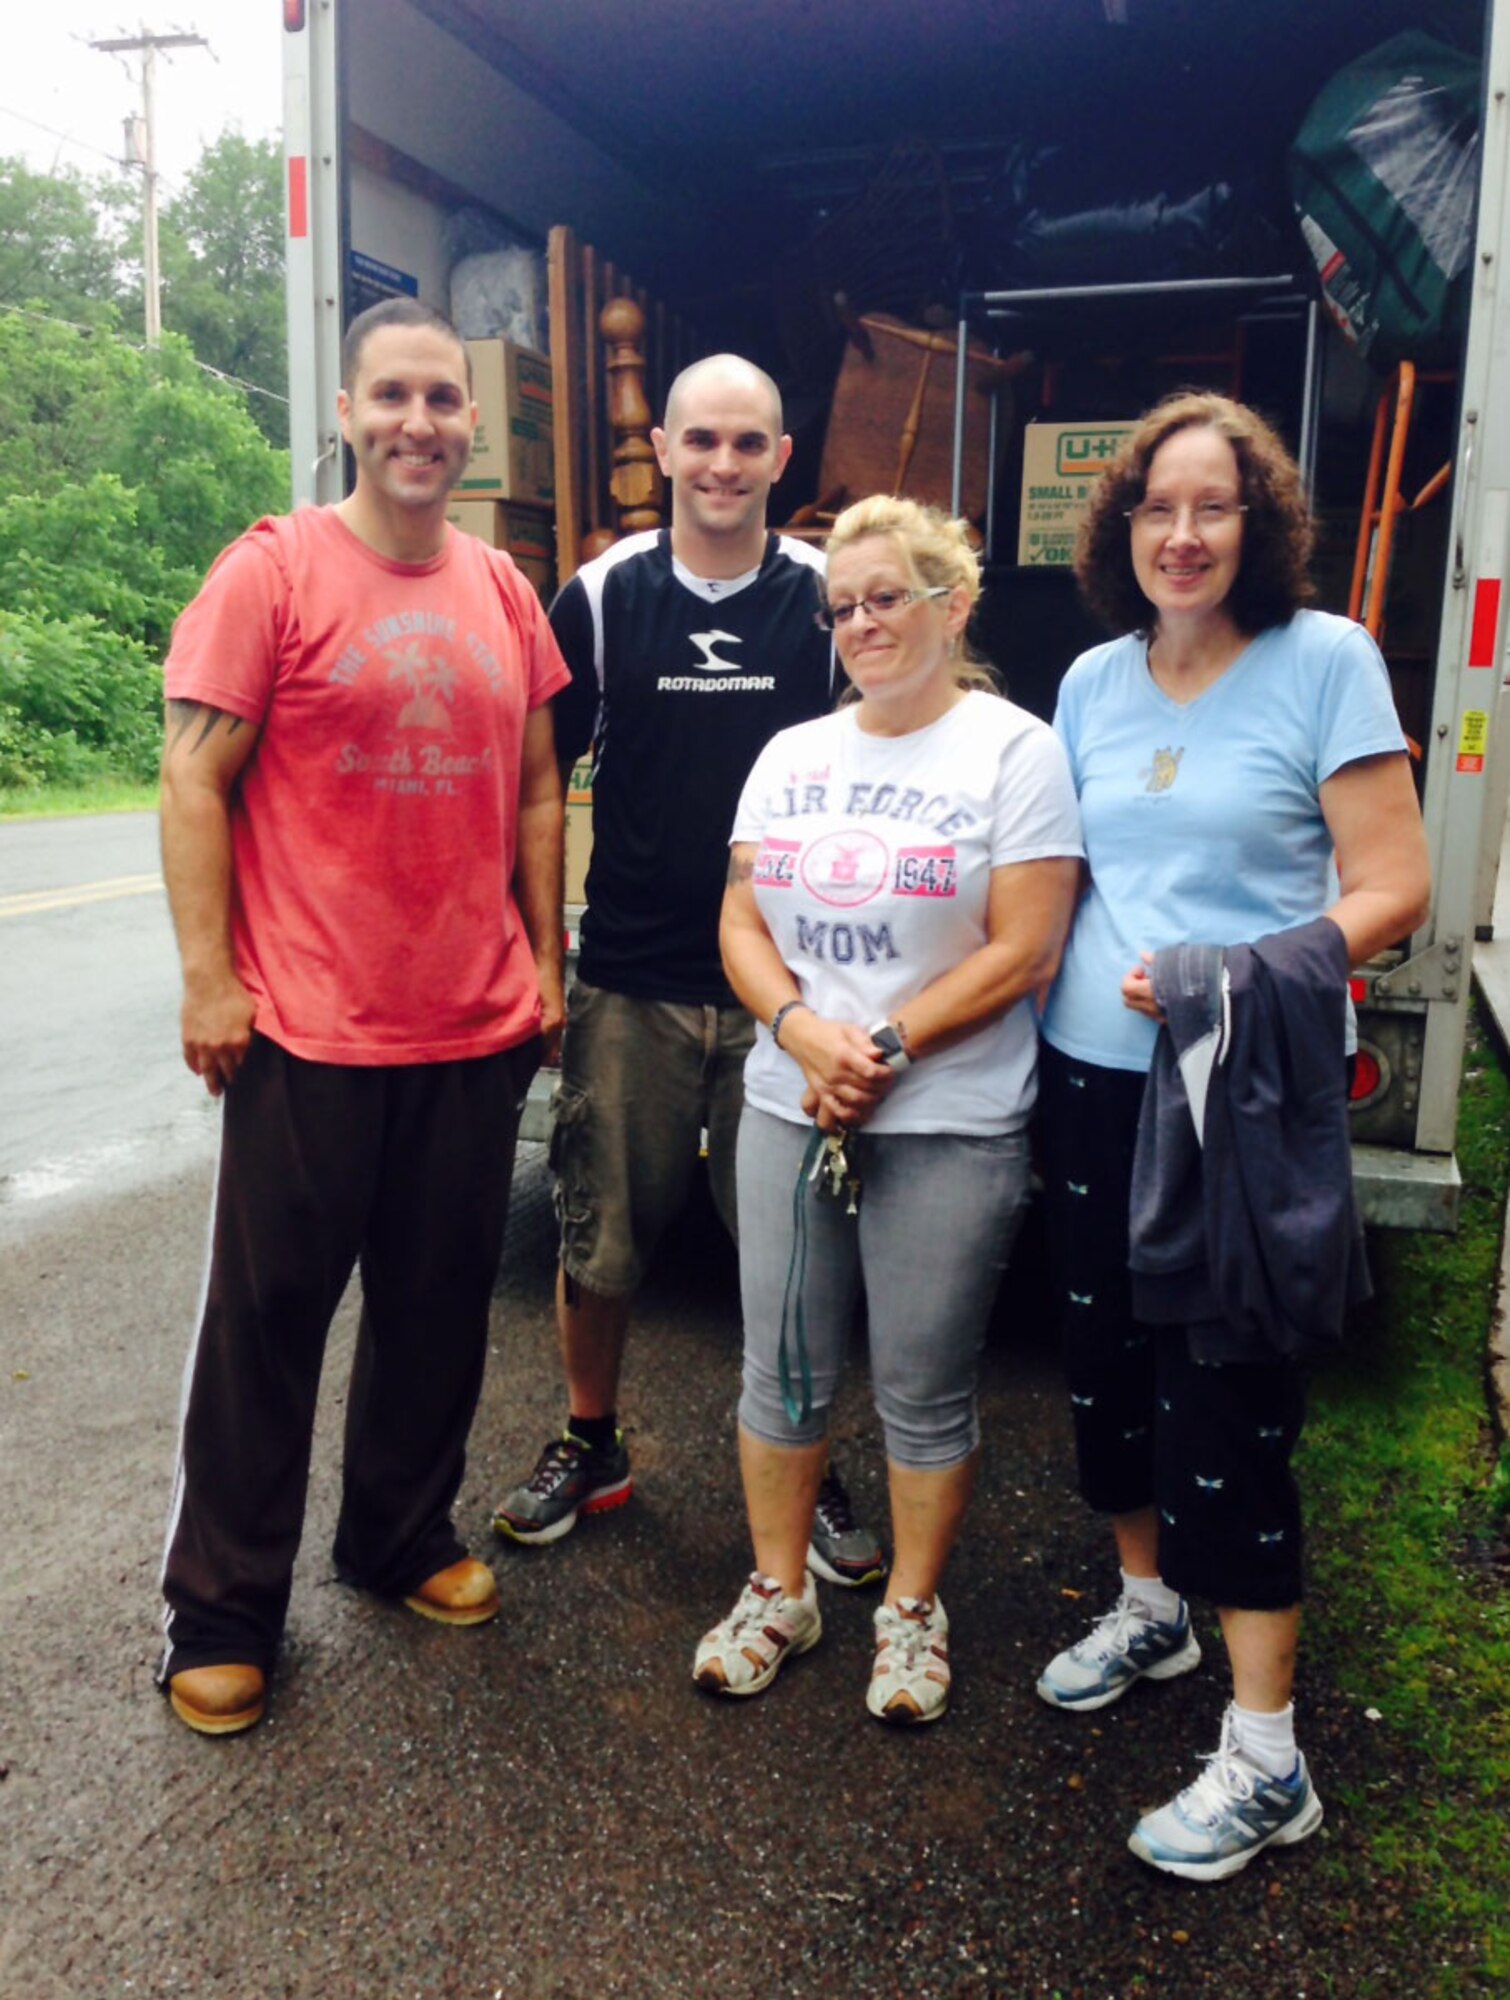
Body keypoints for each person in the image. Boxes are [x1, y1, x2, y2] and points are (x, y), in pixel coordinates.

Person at [156, 297, 570, 1736]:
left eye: (444, 400)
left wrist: (544, 960)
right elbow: (192, 781)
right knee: (269, 1324)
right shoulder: (271, 574)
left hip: (470, 1026)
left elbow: (531, 787)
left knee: (439, 1311)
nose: (419, 422)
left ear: (471, 423)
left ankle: (398, 1538)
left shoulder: (507, 592)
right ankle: (221, 1611)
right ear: (344, 411)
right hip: (307, 1031)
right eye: (391, 395)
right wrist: (211, 980)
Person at [1035, 391, 1431, 1875]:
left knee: (1229, 1396)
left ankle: (1267, 1758)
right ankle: (1150, 1613)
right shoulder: (1086, 682)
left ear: (1258, 524)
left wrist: (1231, 973)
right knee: (1104, 1368)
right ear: (1121, 529)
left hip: (1237, 1087)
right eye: (1155, 508)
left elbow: (1389, 883)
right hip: (1089, 1075)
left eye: (1213, 507)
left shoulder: (1320, 663)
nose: (1182, 534)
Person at [492, 355, 884, 1586]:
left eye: (749, 443)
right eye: (700, 439)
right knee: (600, 1236)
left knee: (797, 1246)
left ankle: (810, 1464)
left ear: (783, 457)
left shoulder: (829, 596)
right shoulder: (601, 596)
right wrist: (545, 956)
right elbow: (539, 783)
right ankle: (592, 1440)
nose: (723, 464)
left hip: (791, 992)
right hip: (633, 977)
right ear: (660, 449)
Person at [693, 495, 1082, 1723]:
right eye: (843, 605)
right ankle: (778, 1589)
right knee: (782, 1370)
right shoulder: (791, 754)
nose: (861, 621)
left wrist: (888, 1041)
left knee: (922, 1384)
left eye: (887, 597)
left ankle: (912, 1607)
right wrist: (800, 1030)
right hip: (789, 1101)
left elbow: (1027, 946)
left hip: (947, 1117)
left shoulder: (1015, 751)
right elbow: (742, 920)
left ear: (950, 604)